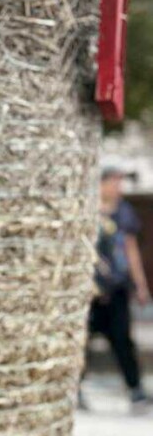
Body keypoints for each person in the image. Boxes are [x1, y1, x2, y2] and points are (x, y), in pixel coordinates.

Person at [83, 165, 153, 413]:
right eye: (114, 182)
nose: (118, 188)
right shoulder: (86, 209)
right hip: (89, 290)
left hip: (117, 289)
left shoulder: (124, 212)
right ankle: (74, 390)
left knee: (123, 340)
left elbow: (130, 250)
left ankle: (136, 391)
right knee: (81, 341)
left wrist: (141, 285)